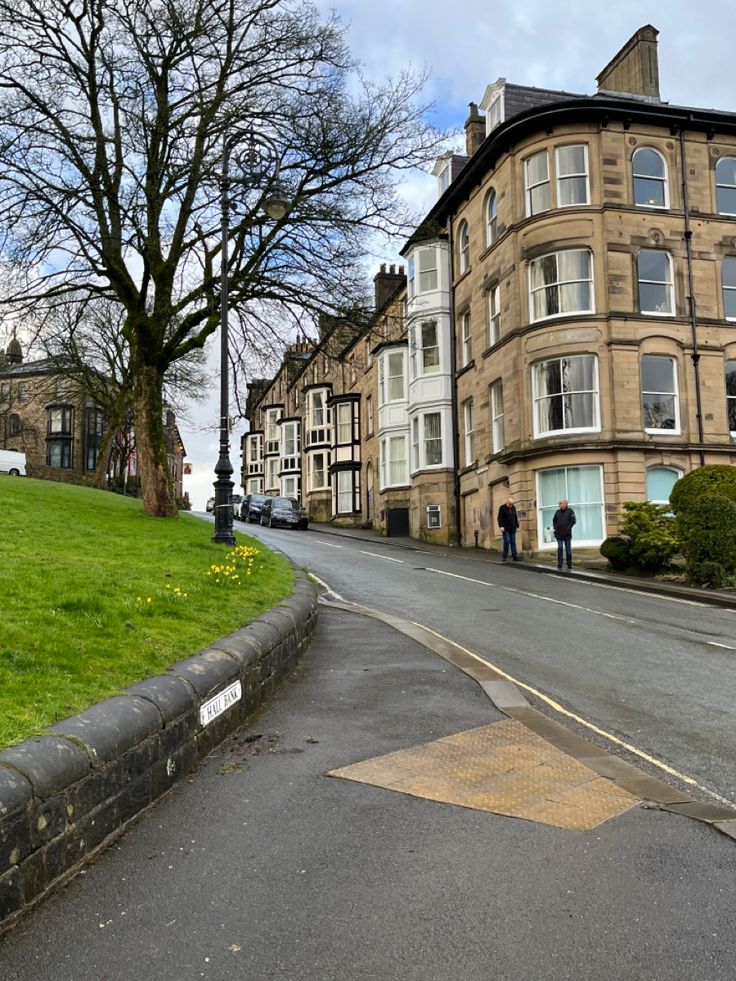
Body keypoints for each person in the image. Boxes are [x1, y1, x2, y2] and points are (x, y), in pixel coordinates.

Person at [553, 499, 576, 569]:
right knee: (560, 548)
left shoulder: (570, 511)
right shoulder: (557, 512)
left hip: (567, 534)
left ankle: (569, 564)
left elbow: (573, 521)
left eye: (561, 503)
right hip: (559, 534)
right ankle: (560, 563)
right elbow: (554, 520)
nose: (559, 505)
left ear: (565, 504)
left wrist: (568, 528)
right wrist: (555, 527)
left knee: (568, 549)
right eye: (559, 503)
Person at [497, 497, 521, 561]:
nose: (511, 505)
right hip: (505, 528)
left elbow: (515, 516)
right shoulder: (502, 508)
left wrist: (517, 526)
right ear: (507, 502)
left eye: (512, 504)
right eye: (510, 504)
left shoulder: (513, 508)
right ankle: (504, 556)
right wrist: (501, 526)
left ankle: (514, 556)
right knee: (507, 541)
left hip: (513, 528)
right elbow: (500, 518)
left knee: (513, 542)